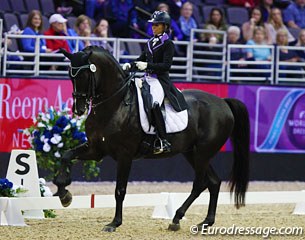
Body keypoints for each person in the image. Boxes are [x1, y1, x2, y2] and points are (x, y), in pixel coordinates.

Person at [122, 11, 188, 154]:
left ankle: (163, 140)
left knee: (154, 103)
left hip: (160, 80)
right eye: (152, 25)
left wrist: (147, 66)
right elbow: (141, 59)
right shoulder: (150, 42)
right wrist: (130, 65)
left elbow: (166, 66)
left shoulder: (168, 44)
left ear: (164, 26)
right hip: (147, 78)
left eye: (156, 25)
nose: (153, 27)